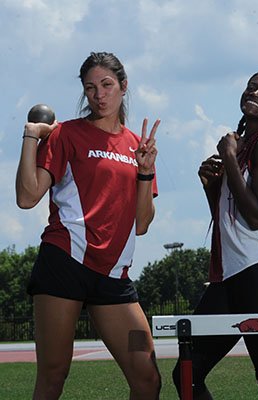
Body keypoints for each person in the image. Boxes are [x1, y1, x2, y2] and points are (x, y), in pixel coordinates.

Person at [15, 52, 161, 399]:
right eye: (91, 87)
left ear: (123, 87)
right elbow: (26, 197)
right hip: (64, 264)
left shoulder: (136, 146)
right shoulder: (66, 134)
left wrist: (145, 171)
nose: (100, 95)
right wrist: (30, 137)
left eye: (107, 85)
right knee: (53, 375)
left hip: (113, 279)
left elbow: (142, 224)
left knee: (148, 376)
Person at [172, 71, 258, 400]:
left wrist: (228, 157)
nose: (255, 93)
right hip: (231, 273)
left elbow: (256, 217)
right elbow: (230, 218)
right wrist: (212, 186)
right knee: (187, 373)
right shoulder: (243, 147)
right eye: (252, 87)